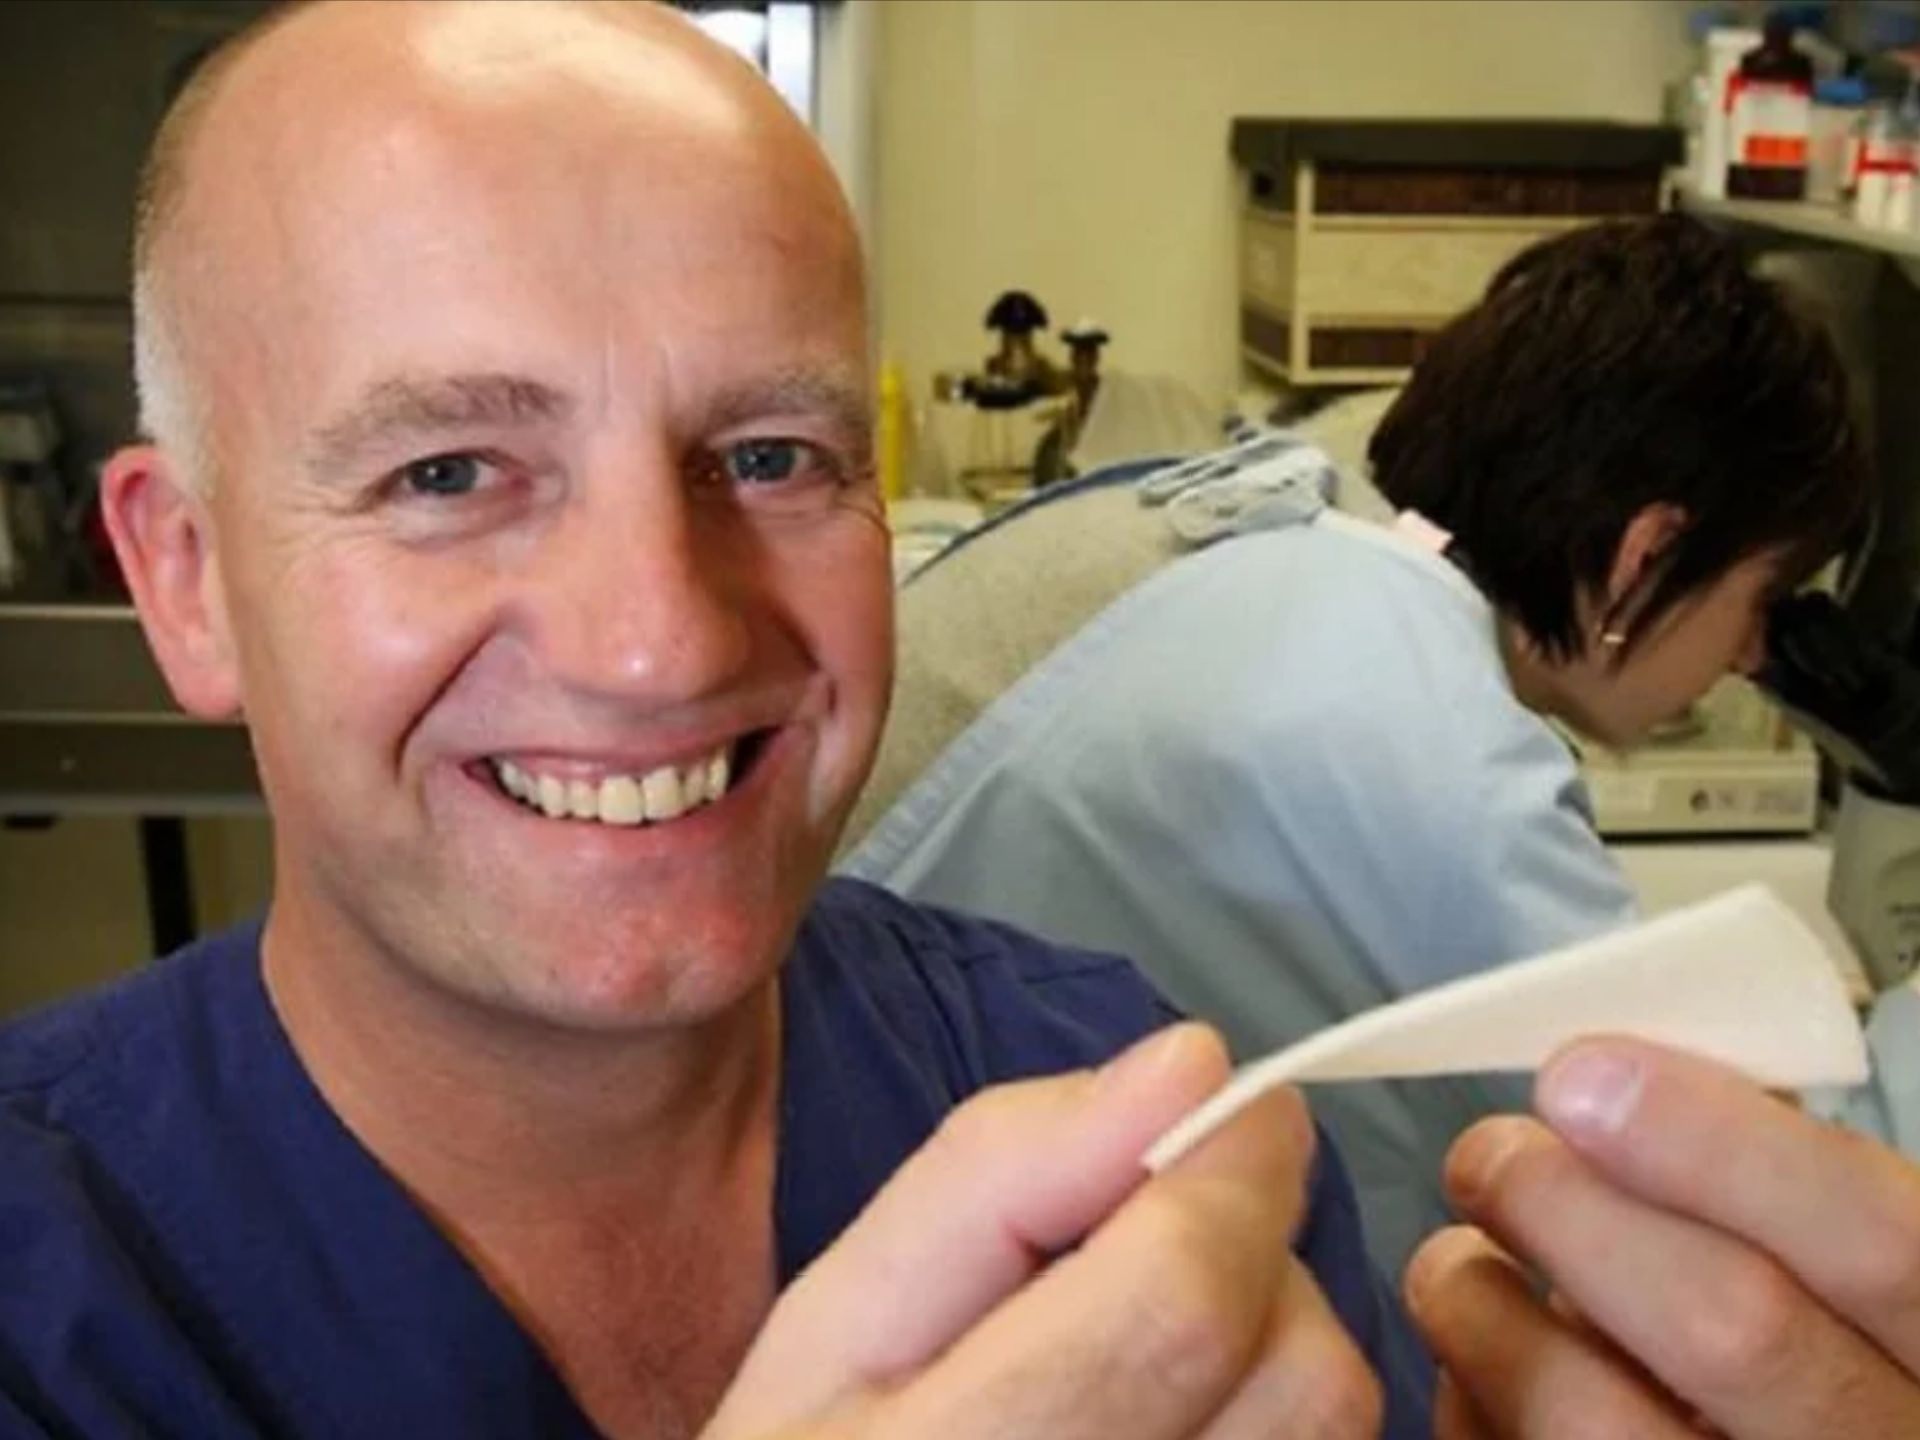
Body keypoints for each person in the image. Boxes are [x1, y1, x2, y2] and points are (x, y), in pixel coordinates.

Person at [8, 4, 1920, 1438]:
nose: (661, 644)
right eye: (445, 474)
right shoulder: (56, 1289)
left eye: (770, 454)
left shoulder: (1115, 1100)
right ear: (184, 575)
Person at [841, 214, 1873, 1276]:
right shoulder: (1439, 733)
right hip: (896, 1214)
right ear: (1644, 553)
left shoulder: (1311, 551)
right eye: (1763, 598)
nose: (1752, 654)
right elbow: (1715, 1162)